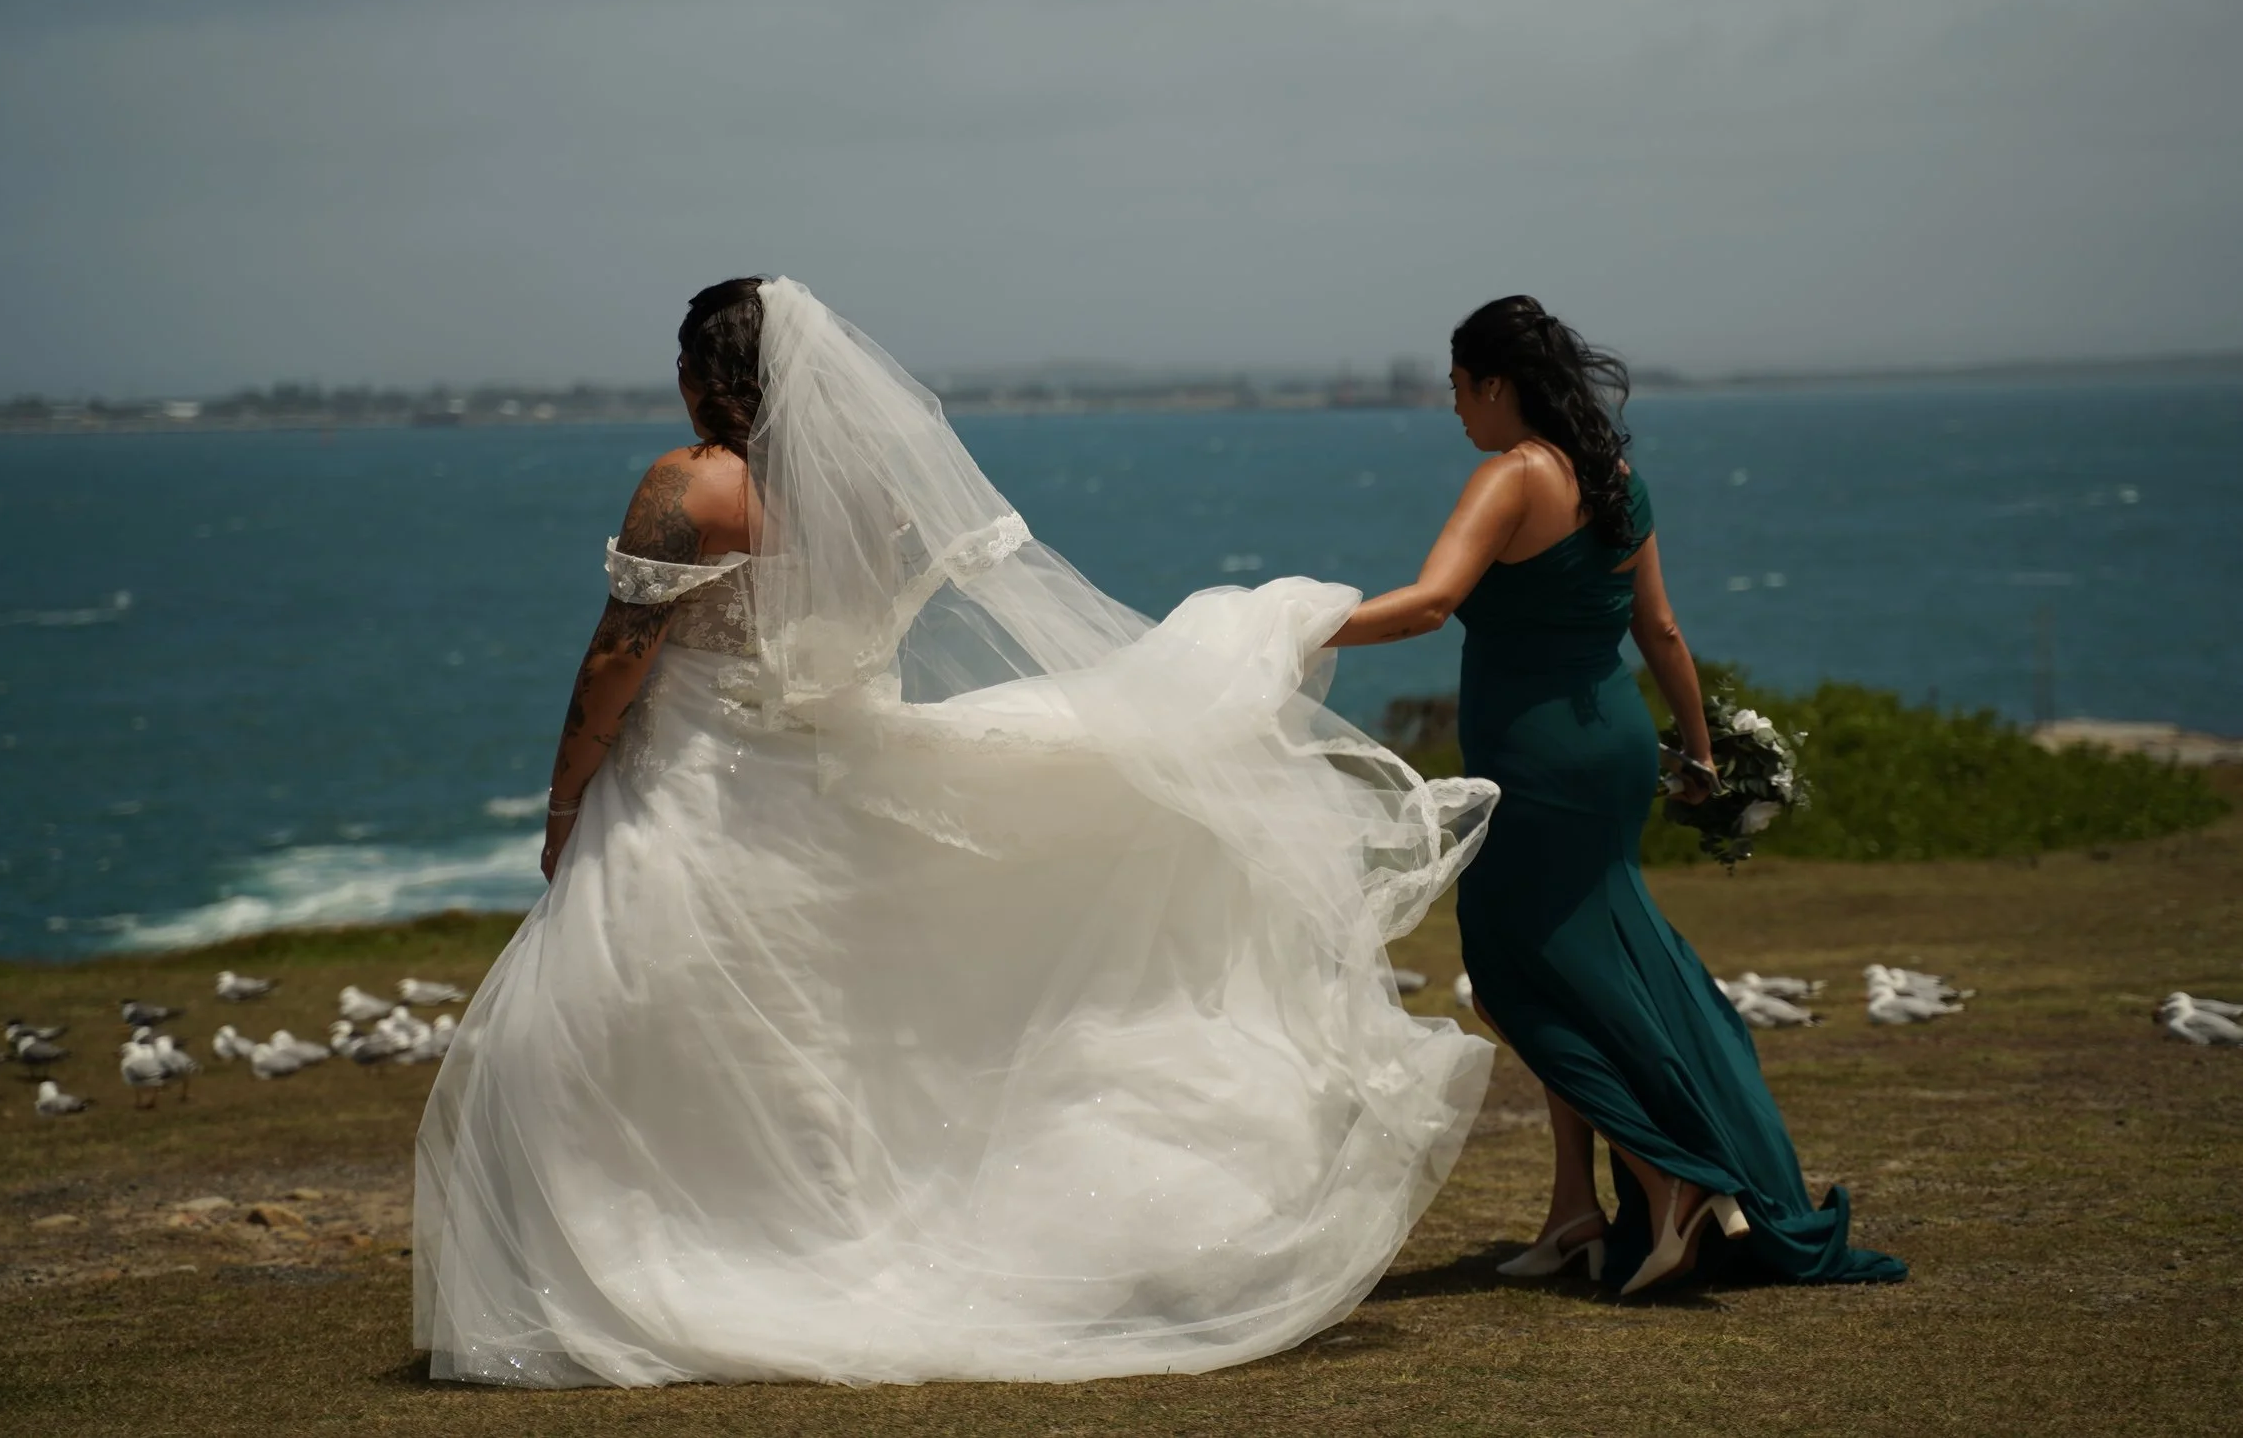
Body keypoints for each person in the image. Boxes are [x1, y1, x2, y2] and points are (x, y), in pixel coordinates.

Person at [413, 276, 1499, 1386]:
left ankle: (655, 1264)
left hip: (685, 786)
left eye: (684, 365)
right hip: (808, 789)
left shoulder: (690, 485)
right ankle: (769, 1246)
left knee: (603, 1027)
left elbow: (615, 655)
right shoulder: (866, 497)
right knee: (792, 1038)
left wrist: (562, 798)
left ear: (709, 376)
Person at [1325, 294, 1906, 1295]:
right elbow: (1664, 631)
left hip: (1537, 764)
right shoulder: (1617, 482)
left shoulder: (1508, 478)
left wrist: (1295, 629)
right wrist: (1698, 751)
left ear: (1496, 383)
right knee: (1582, 971)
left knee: (1513, 974)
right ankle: (1573, 1209)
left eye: (1460, 389)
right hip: (1614, 748)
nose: (1455, 410)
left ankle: (1664, 1171)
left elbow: (1428, 604)